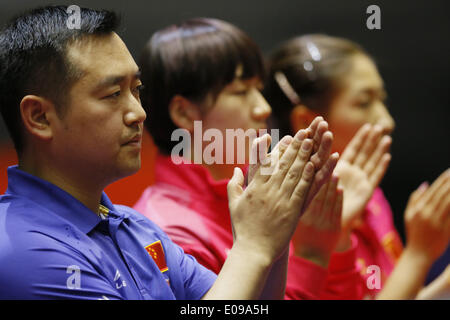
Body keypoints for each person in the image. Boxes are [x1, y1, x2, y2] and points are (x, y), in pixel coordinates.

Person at [0, 6, 334, 300]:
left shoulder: (137, 228)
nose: (137, 113)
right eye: (113, 93)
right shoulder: (22, 250)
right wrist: (255, 246)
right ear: (40, 117)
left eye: (137, 91)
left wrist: (277, 231)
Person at [134, 18, 375, 300]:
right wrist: (313, 253)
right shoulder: (170, 233)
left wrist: (335, 239)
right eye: (241, 91)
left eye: (258, 89)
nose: (263, 108)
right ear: (185, 114)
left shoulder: (266, 193)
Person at [264, 34, 449, 299]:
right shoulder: (290, 221)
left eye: (381, 100)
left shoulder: (371, 197)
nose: (386, 121)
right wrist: (419, 253)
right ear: (307, 120)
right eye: (364, 103)